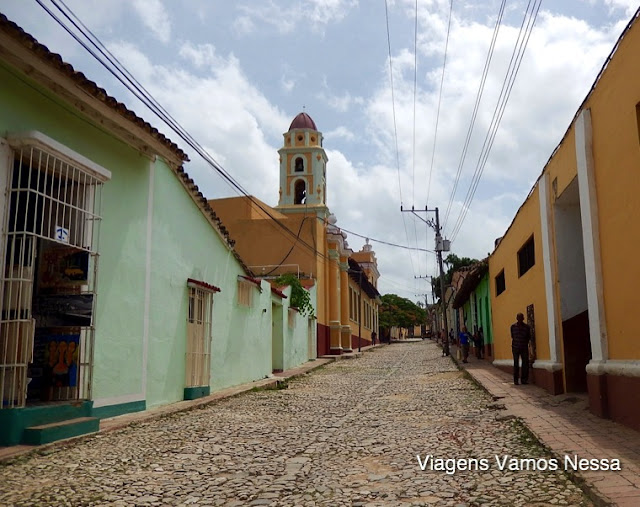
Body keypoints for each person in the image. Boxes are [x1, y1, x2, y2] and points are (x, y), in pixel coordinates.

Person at [510, 313, 531, 385]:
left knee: (525, 363)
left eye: (521, 317)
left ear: (523, 318)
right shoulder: (513, 327)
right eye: (518, 317)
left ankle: (524, 380)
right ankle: (516, 380)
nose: (520, 319)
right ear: (516, 318)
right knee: (516, 363)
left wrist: (524, 343)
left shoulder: (527, 327)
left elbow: (528, 337)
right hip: (515, 347)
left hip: (524, 347)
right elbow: (512, 336)